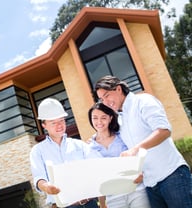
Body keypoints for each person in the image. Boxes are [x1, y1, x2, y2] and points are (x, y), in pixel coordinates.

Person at [94, 75, 192, 208]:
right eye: (101, 99)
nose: (105, 102)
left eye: (107, 95)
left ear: (118, 89)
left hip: (171, 175)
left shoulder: (143, 101)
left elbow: (164, 130)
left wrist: (136, 149)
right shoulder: (121, 119)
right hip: (149, 185)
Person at [30, 98, 100, 208]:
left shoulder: (80, 145)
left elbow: (98, 165)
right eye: (53, 123)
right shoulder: (38, 151)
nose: (59, 125)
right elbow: (39, 177)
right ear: (44, 125)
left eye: (61, 120)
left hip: (89, 204)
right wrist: (47, 187)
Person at [88, 102, 151, 208]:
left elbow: (140, 157)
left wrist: (142, 174)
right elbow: (97, 177)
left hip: (136, 191)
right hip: (113, 198)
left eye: (103, 117)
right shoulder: (89, 147)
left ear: (110, 118)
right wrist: (103, 204)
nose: (99, 122)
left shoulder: (122, 136)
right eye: (95, 118)